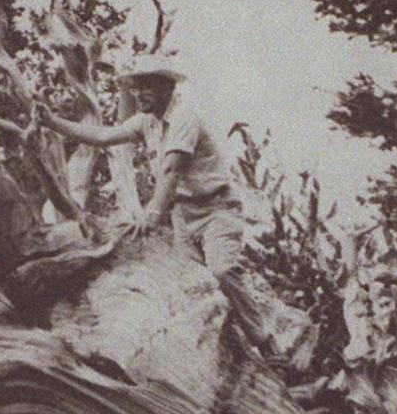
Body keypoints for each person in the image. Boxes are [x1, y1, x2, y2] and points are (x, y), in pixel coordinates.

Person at [35, 52, 244, 280]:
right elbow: (104, 136)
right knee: (190, 283)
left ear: (167, 88)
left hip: (215, 210)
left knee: (221, 272)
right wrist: (53, 121)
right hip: (182, 215)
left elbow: (171, 170)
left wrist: (152, 215)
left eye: (146, 88)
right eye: (136, 88)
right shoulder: (147, 120)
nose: (139, 95)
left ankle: (256, 316)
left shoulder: (184, 117)